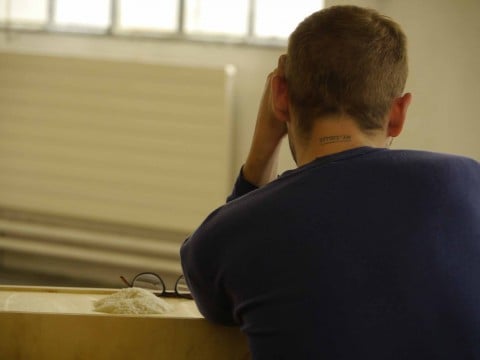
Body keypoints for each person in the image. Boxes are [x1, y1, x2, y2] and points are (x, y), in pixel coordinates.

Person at [180, 5, 480, 359]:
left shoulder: (223, 236)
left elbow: (222, 312)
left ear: (280, 97)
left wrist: (260, 156)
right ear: (398, 114)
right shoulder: (469, 181)